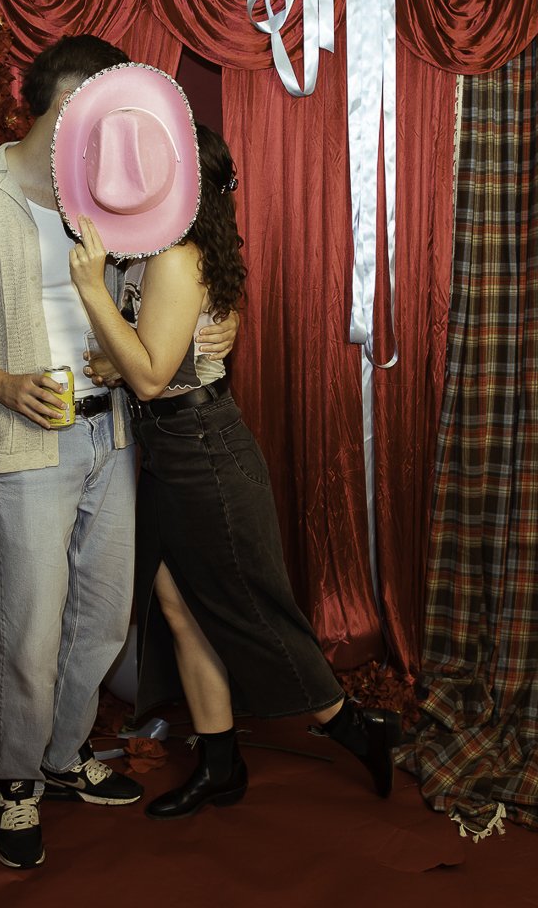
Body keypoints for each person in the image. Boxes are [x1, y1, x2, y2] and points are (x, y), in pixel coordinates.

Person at [0, 36, 236, 869]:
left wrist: (201, 334)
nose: (98, 134)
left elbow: (155, 295)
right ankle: (15, 782)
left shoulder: (105, 193)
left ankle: (64, 754)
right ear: (48, 106)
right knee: (30, 627)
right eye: (82, 117)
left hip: (109, 427)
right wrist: (3, 384)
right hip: (24, 439)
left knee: (103, 612)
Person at [68, 122, 402, 821]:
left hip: (201, 450)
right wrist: (116, 355)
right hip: (166, 450)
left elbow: (154, 376)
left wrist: (94, 296)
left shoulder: (174, 259)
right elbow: (143, 357)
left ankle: (356, 728)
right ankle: (222, 766)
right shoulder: (159, 253)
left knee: (253, 614)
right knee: (179, 610)